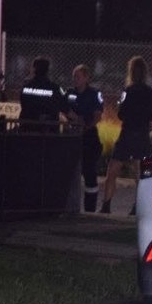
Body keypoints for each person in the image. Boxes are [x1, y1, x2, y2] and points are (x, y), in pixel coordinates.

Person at [99, 56, 152, 214]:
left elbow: (121, 114)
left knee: (112, 171)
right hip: (142, 135)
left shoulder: (128, 91)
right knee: (139, 174)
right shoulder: (151, 93)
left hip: (127, 134)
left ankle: (106, 206)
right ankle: (137, 207)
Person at [66, 64, 104, 213]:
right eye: (74, 76)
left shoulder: (94, 94)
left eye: (78, 76)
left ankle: (90, 210)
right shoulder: (69, 93)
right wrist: (73, 118)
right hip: (72, 136)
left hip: (89, 137)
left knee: (90, 174)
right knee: (70, 173)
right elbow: (64, 108)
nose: (75, 79)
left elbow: (98, 116)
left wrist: (85, 126)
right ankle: (70, 207)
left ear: (87, 78)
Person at [19, 56, 69, 130]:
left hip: (27, 129)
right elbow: (64, 105)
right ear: (47, 70)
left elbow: (23, 102)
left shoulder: (26, 87)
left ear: (34, 69)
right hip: (48, 131)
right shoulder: (55, 88)